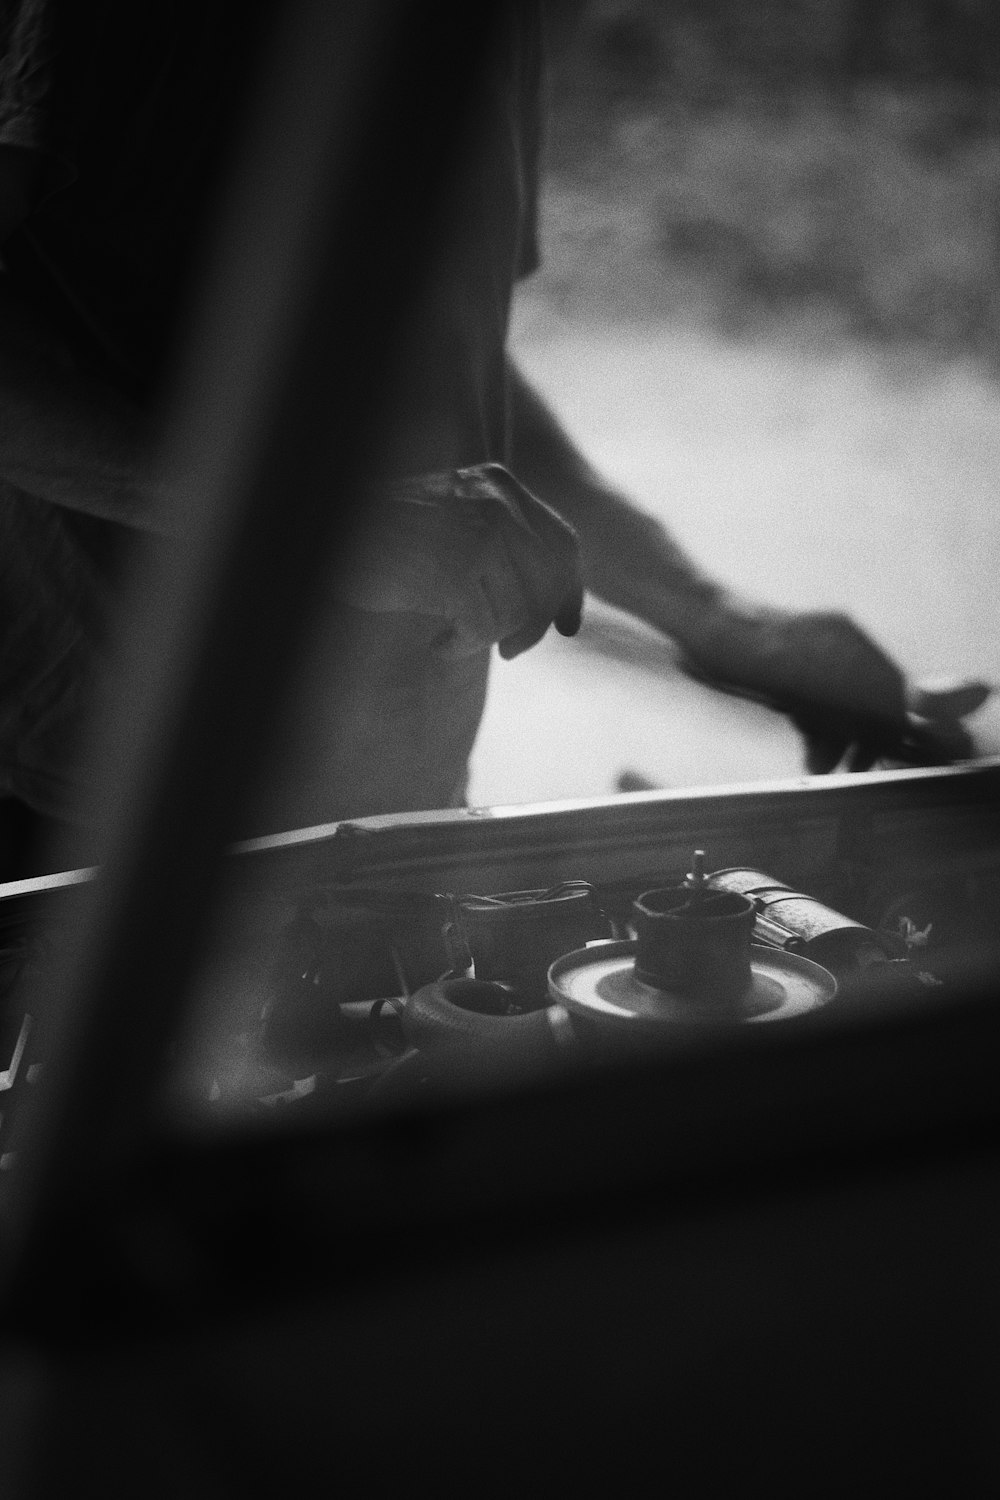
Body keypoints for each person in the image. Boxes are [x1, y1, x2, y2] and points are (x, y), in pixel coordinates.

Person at [0, 1, 979, 855]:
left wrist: (718, 620)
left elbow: (447, 376)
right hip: (107, 835)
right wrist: (314, 525)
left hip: (394, 815)